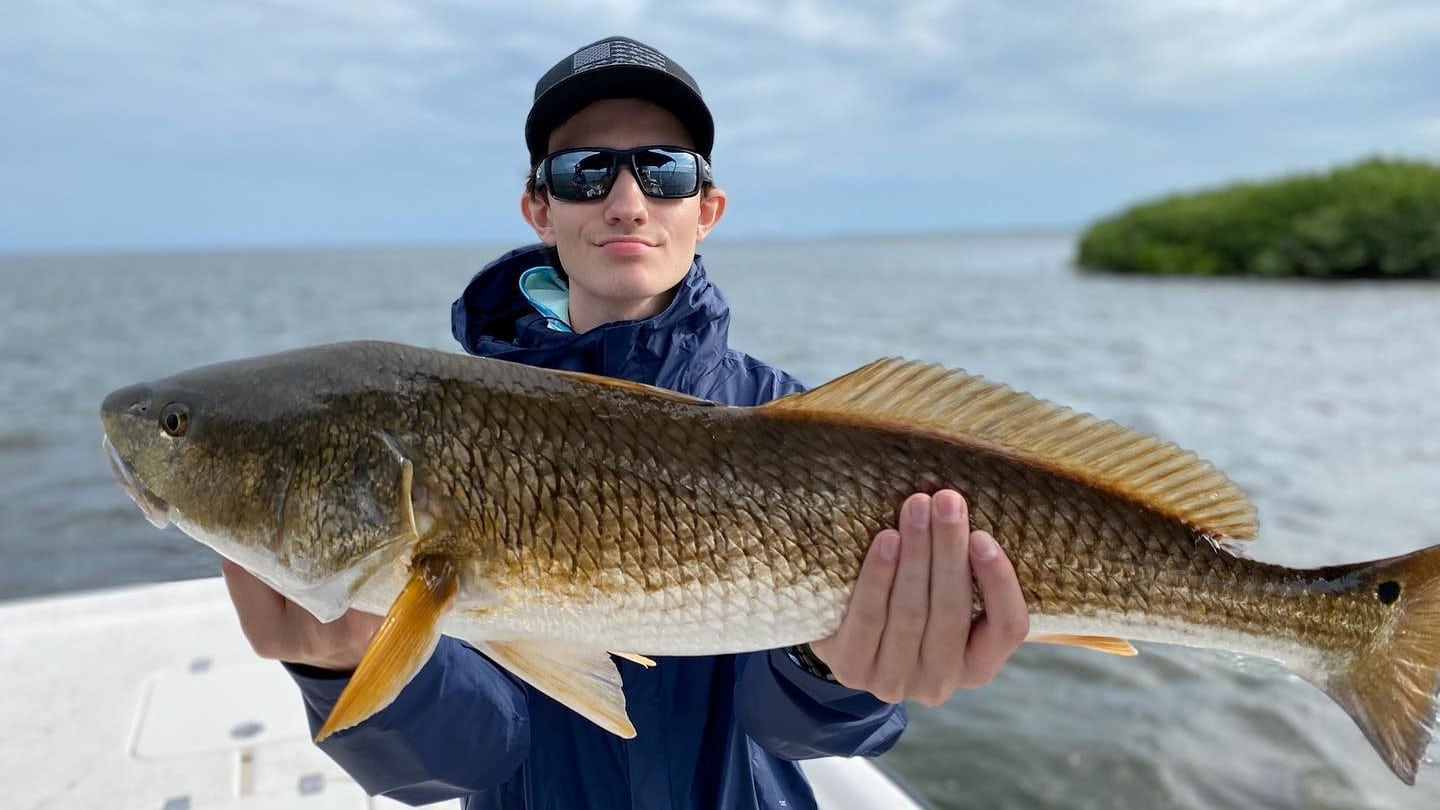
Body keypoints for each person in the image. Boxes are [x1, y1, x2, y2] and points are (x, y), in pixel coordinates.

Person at [220, 35, 1031, 810]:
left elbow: (799, 733)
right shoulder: (448, 436)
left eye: (665, 169)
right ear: (539, 208)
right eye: (584, 171)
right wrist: (344, 667)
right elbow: (461, 762)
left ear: (707, 208)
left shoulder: (807, 424)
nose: (627, 200)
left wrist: (844, 677)